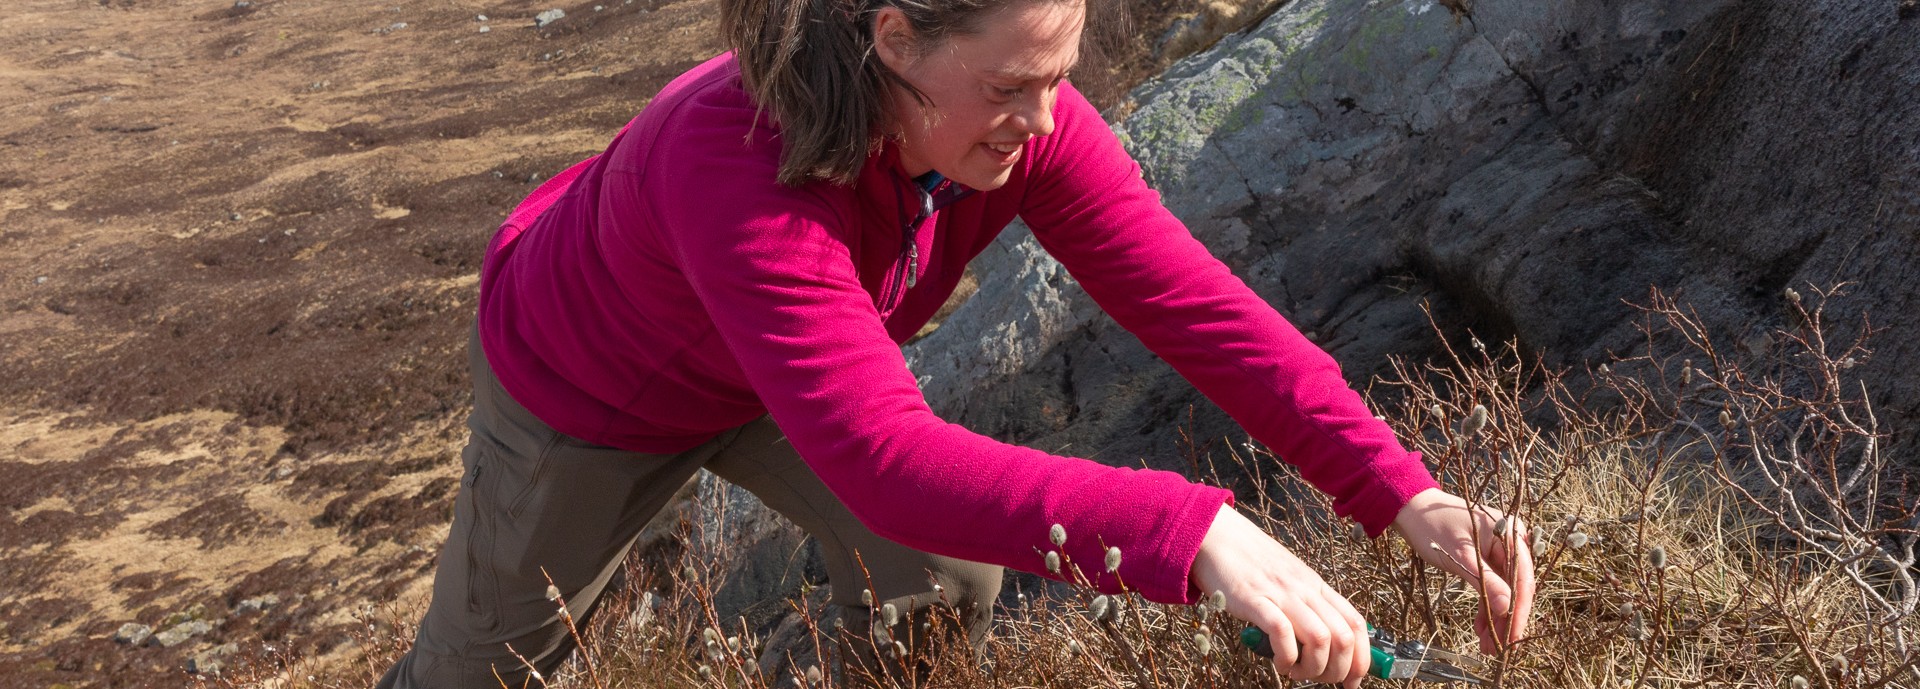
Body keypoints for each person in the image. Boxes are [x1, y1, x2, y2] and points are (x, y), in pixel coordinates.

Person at [377, 0, 1536, 685]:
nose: (1043, 122)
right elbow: (883, 456)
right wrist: (1193, 531)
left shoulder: (1021, 127)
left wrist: (1400, 492)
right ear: (892, 37)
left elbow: (1197, 306)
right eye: (1013, 85)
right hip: (590, 391)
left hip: (788, 364)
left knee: (939, 567)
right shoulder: (732, 163)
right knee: (484, 669)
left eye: (1062, 78)